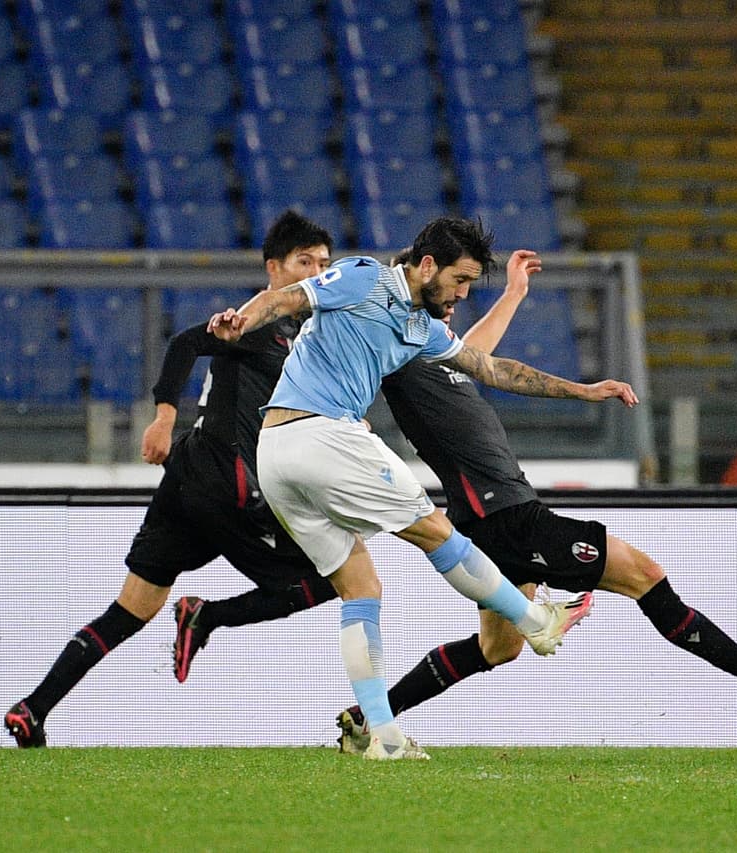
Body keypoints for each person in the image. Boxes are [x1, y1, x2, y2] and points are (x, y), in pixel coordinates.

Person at [329, 246, 737, 752]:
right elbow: (459, 368)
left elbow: (478, 356)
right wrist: (585, 391)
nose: (458, 297)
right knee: (646, 577)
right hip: (507, 517)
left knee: (497, 648)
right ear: (421, 281)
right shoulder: (399, 349)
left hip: (484, 518)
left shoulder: (434, 351)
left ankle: (370, 716)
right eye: (453, 285)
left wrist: (513, 294)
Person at [206, 216, 638, 760]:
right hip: (322, 432)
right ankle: (536, 621)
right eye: (459, 281)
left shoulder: (421, 329)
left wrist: (583, 390)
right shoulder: (365, 277)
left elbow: (492, 369)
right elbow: (287, 298)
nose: (461, 293)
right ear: (427, 265)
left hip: (278, 453)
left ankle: (383, 737)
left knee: (360, 590)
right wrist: (238, 322)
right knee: (436, 529)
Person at [4, 210, 341, 748]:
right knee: (329, 578)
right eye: (305, 262)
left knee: (133, 607)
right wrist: (163, 414)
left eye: (325, 264)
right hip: (224, 475)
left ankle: (32, 708)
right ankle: (207, 616)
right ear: (274, 268)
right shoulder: (261, 322)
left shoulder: (307, 332)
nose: (317, 273)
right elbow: (187, 343)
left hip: (189, 478)